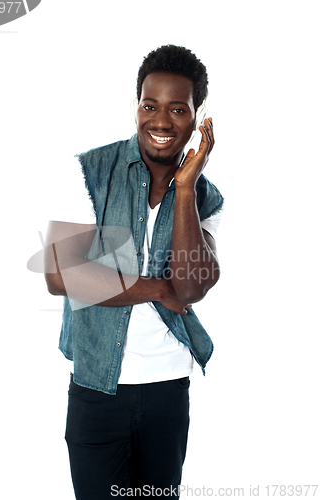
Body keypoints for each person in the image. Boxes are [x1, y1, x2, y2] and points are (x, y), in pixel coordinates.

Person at [44, 44, 223, 499]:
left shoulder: (208, 198)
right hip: (96, 389)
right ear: (137, 105)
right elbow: (61, 277)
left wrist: (185, 188)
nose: (161, 121)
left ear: (197, 117)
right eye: (149, 105)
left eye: (177, 109)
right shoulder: (88, 171)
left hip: (166, 390)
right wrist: (157, 287)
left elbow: (191, 287)